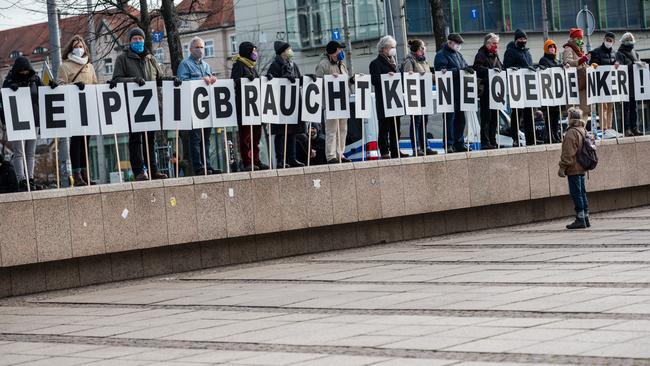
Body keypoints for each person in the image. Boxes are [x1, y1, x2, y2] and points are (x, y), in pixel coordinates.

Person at [111, 27, 169, 181]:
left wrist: (173, 80)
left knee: (150, 139)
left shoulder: (151, 58)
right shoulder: (122, 59)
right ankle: (138, 171)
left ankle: (153, 169)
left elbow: (160, 78)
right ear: (130, 42)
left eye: (140, 39)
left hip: (150, 104)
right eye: (134, 39)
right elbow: (116, 79)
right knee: (136, 139)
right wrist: (133, 81)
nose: (138, 41)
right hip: (133, 105)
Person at [55, 34, 98, 186]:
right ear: (70, 49)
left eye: (80, 47)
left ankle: (86, 173)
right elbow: (60, 86)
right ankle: (77, 173)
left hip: (88, 108)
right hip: (73, 109)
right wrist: (73, 87)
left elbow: (95, 84)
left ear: (85, 48)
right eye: (75, 47)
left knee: (86, 141)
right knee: (76, 141)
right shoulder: (65, 66)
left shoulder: (89, 66)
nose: (78, 49)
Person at [177, 36, 220, 175]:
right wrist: (200, 80)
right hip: (193, 108)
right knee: (195, 138)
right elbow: (182, 82)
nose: (200, 50)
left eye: (202, 47)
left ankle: (207, 164)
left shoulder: (207, 66)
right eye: (197, 47)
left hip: (206, 108)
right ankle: (198, 166)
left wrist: (213, 80)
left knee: (206, 138)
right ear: (190, 49)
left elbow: (209, 83)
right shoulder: (185, 64)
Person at [2, 56, 42, 191]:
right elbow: (3, 99)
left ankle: (30, 178)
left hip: (33, 119)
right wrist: (10, 88)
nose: (24, 73)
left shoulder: (35, 80)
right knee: (19, 152)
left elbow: (43, 93)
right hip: (17, 120)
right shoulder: (9, 81)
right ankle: (21, 180)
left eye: (26, 71)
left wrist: (52, 86)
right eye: (22, 71)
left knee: (30, 152)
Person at [267, 40, 305, 168]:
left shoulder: (293, 65)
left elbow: (299, 80)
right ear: (282, 51)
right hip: (280, 104)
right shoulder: (275, 65)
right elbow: (271, 82)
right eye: (288, 49)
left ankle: (292, 158)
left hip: (292, 102)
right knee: (281, 133)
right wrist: (284, 79)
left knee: (293, 132)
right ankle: (280, 160)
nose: (290, 51)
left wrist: (306, 78)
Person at [231, 41, 268, 171]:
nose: (255, 53)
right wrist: (245, 80)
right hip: (244, 108)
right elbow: (234, 83)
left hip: (255, 107)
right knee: (245, 137)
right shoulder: (239, 65)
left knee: (256, 136)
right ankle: (247, 162)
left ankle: (256, 160)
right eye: (253, 51)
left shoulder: (252, 66)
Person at [434, 33, 473, 153]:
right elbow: (441, 73)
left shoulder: (458, 55)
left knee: (461, 120)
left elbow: (464, 66)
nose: (458, 46)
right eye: (457, 44)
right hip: (448, 93)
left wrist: (467, 69)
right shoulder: (441, 55)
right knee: (449, 120)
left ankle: (459, 142)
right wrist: (459, 70)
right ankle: (449, 144)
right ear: (450, 42)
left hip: (460, 92)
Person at [371, 35, 408, 159]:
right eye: (392, 47)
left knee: (396, 128)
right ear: (384, 48)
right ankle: (384, 151)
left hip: (394, 100)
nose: (393, 50)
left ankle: (395, 149)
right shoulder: (375, 63)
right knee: (384, 128)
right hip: (384, 101)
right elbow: (375, 80)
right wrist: (386, 76)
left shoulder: (393, 61)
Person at [315, 40, 351, 163]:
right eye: (339, 49)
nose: (341, 52)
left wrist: (352, 80)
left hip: (342, 102)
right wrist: (329, 79)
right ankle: (331, 156)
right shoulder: (323, 65)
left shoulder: (341, 64)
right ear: (333, 51)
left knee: (342, 129)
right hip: (330, 103)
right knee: (331, 130)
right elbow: (317, 83)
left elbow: (345, 81)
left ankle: (340, 154)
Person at [402, 39, 436, 155]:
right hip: (415, 96)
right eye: (422, 48)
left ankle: (425, 146)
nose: (424, 49)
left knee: (424, 121)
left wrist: (437, 76)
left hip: (425, 94)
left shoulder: (424, 61)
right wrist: (417, 75)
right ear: (417, 49)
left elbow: (428, 76)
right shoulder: (409, 61)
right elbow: (407, 77)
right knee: (416, 121)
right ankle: (416, 148)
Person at [558, 107, 591, 229]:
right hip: (582, 166)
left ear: (571, 118)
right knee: (582, 193)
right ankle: (585, 217)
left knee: (576, 193)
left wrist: (562, 167)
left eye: (568, 116)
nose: (567, 118)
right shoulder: (583, 130)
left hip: (574, 168)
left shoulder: (571, 132)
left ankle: (580, 219)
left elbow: (568, 153)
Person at [503, 29, 535, 146]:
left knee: (529, 114)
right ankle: (515, 138)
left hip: (527, 86)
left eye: (524, 39)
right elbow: (506, 67)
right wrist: (514, 69)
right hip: (516, 86)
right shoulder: (510, 52)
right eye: (521, 39)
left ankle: (531, 139)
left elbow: (529, 65)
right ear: (516, 40)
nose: (523, 41)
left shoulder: (527, 52)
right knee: (517, 113)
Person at [473, 33, 503, 150]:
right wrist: (490, 71)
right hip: (486, 90)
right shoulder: (481, 54)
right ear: (488, 43)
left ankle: (492, 140)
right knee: (486, 117)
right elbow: (477, 68)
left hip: (495, 90)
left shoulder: (495, 55)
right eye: (494, 43)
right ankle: (485, 142)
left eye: (497, 43)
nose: (496, 46)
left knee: (494, 117)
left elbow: (501, 67)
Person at [590, 32, 619, 134]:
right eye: (607, 40)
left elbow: (616, 63)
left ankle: (609, 127)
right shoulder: (596, 52)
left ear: (613, 42)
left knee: (610, 106)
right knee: (603, 106)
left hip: (611, 83)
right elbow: (592, 65)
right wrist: (595, 65)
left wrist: (617, 64)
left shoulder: (614, 53)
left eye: (610, 41)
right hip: (601, 83)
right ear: (604, 40)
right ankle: (604, 129)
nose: (608, 42)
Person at [616, 32, 643, 137]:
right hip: (625, 85)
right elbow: (620, 68)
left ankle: (635, 127)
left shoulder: (634, 52)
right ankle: (626, 129)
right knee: (626, 108)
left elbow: (638, 63)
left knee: (634, 108)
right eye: (628, 40)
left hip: (634, 84)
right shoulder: (619, 53)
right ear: (624, 42)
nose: (630, 43)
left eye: (631, 40)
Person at [539, 39, 563, 143]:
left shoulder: (556, 61)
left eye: (553, 47)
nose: (552, 49)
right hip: (548, 93)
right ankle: (550, 136)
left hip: (556, 93)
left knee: (556, 117)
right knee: (549, 117)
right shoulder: (543, 60)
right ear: (546, 49)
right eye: (550, 47)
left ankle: (555, 134)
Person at [562, 28, 591, 117]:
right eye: (578, 38)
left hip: (582, 81)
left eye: (581, 38)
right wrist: (582, 60)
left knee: (585, 109)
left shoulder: (580, 49)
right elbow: (567, 62)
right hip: (575, 82)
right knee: (575, 109)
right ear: (573, 38)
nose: (580, 40)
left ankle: (582, 129)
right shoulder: (568, 49)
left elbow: (583, 65)